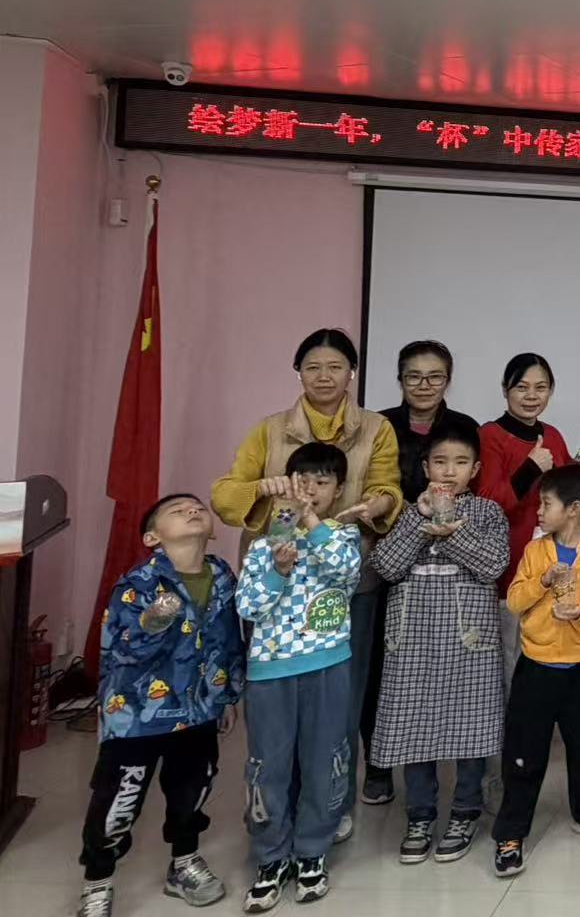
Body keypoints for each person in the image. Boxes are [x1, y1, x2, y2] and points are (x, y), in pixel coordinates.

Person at [212, 327, 402, 838]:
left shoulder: (377, 428)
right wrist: (262, 486)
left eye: (335, 367)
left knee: (340, 699)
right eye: (313, 367)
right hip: (277, 581)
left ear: (352, 373)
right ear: (298, 372)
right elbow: (226, 497)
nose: (324, 376)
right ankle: (274, 805)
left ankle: (331, 803)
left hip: (345, 581)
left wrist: (378, 504)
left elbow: (388, 487)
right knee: (274, 705)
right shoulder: (270, 430)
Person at [79, 495, 243, 917]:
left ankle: (184, 862)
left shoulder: (222, 576)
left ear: (212, 530)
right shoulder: (138, 584)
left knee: (192, 790)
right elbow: (124, 650)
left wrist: (228, 694)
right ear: (153, 537)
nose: (192, 511)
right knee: (119, 800)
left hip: (199, 708)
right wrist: (159, 614)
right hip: (136, 715)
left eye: (198, 508)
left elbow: (230, 639)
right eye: (177, 510)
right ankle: (98, 880)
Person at [369, 416, 508, 866]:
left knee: (470, 728)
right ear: (426, 467)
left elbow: (492, 565)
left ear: (475, 469)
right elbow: (386, 566)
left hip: (469, 641)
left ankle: (465, 811)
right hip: (412, 640)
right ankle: (420, 814)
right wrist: (421, 520)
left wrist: (453, 532)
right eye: (441, 462)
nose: (449, 471)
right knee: (415, 727)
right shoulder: (409, 512)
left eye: (460, 462)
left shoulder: (486, 513)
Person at [235, 445, 362, 910]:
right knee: (267, 765)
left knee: (324, 759)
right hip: (270, 672)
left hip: (327, 665)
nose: (310, 490)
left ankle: (312, 850)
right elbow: (248, 607)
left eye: (321, 483)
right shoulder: (264, 544)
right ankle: (270, 855)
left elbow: (346, 572)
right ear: (286, 485)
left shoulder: (342, 535)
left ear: (338, 490)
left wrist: (309, 520)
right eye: (301, 482)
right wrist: (278, 570)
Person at [492, 466, 580, 871]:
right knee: (524, 752)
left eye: (546, 504)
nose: (538, 511)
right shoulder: (536, 552)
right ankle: (511, 832)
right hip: (537, 668)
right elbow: (515, 601)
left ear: (573, 509)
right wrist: (543, 582)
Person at [366, 339, 477, 806]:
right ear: (400, 379)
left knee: (450, 670)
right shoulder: (378, 426)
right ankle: (377, 766)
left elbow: (475, 498)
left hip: (450, 563)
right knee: (383, 666)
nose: (424, 385)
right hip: (392, 549)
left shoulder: (463, 427)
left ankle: (444, 766)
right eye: (414, 376)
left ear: (448, 380)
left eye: (435, 376)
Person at [476, 353, 576, 663]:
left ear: (551, 391)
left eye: (540, 387)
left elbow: (569, 495)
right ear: (505, 389)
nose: (531, 396)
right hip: (509, 565)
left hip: (551, 564)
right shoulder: (490, 435)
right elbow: (487, 501)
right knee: (509, 657)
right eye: (522, 387)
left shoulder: (553, 435)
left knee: (545, 655)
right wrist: (531, 468)